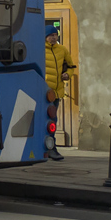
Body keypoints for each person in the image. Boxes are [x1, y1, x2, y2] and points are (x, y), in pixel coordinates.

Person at [44, 24, 75, 160]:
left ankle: (51, 147)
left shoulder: (62, 49)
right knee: (44, 120)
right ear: (45, 37)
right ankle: (46, 147)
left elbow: (71, 66)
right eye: (50, 35)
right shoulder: (39, 49)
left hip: (56, 92)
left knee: (52, 120)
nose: (53, 37)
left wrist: (68, 74)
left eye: (55, 35)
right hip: (43, 91)